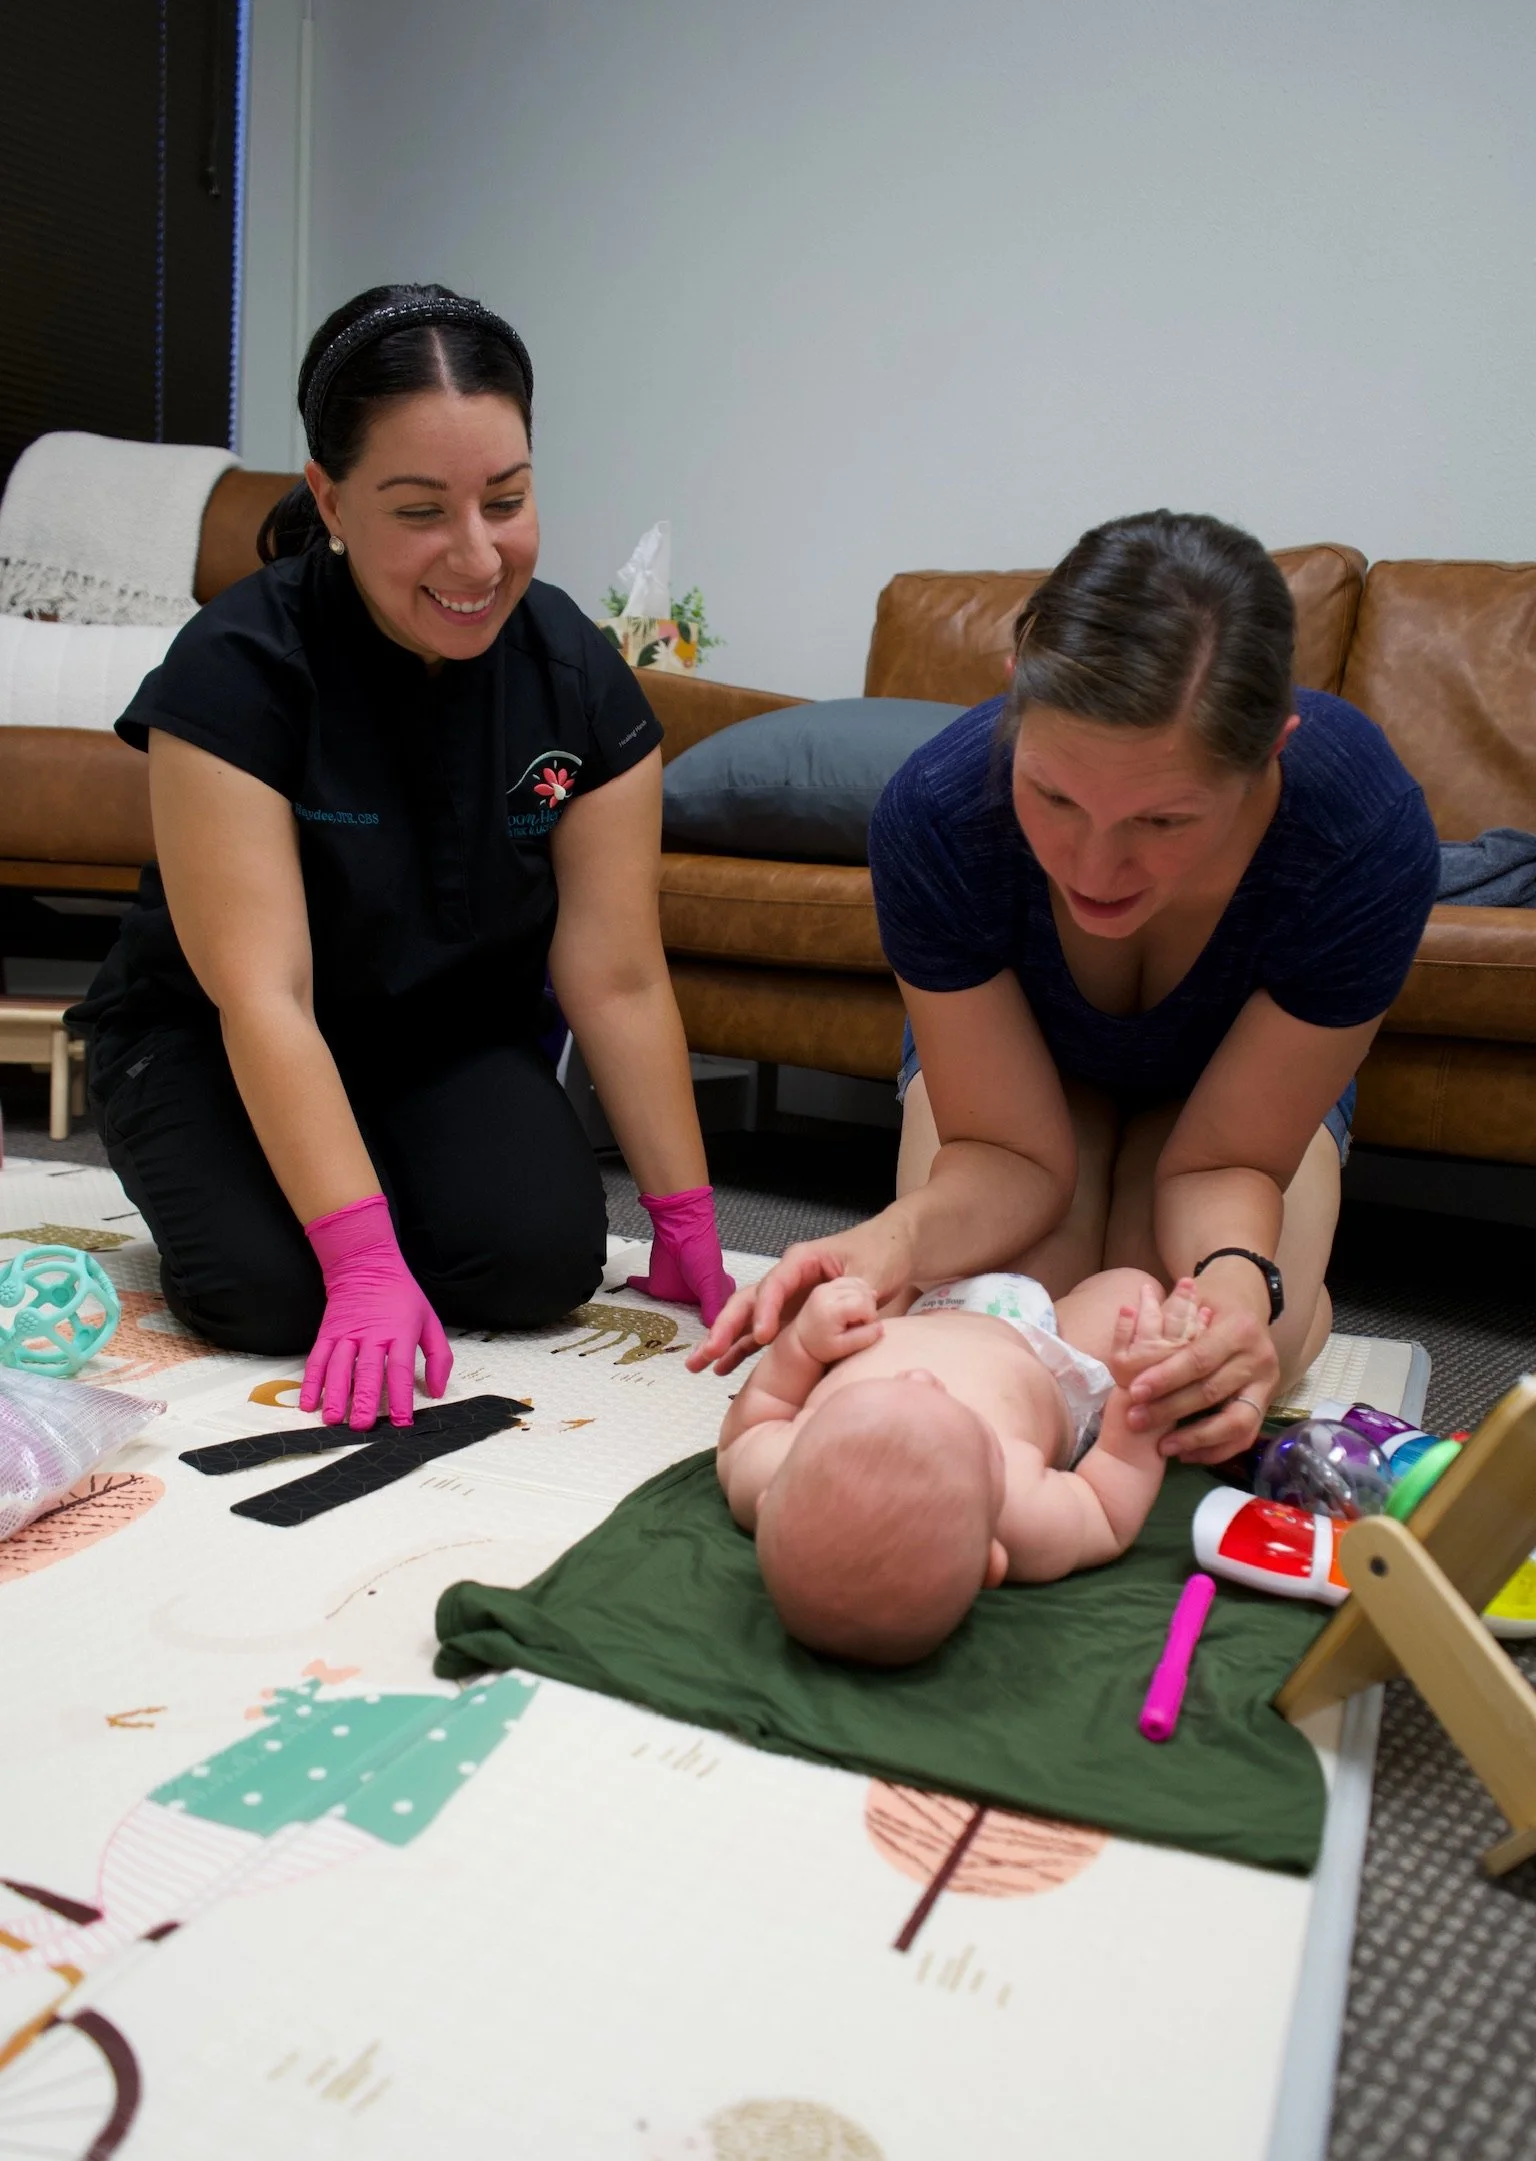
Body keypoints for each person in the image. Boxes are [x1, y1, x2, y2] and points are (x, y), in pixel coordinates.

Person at [74, 284, 731, 1430]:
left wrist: (685, 1221)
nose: (476, 556)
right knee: (271, 1294)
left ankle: (366, 1179)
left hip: (431, 1037)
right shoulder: (237, 670)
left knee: (535, 1264)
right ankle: (303, 1196)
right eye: (420, 509)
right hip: (212, 1036)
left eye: (508, 500)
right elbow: (263, 995)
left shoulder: (576, 677)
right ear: (329, 498)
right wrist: (362, 1259)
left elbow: (617, 974)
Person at [692, 511, 1440, 1464]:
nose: (1095, 865)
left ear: (1273, 749)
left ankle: (1299, 1316)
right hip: (1015, 1107)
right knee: (998, 1321)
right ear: (1014, 700)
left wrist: (1246, 1292)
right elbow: (1005, 1153)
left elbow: (1226, 1165)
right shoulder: (939, 813)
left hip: (1232, 1121)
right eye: (1053, 796)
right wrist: (895, 1239)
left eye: (1164, 820)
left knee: (1182, 1360)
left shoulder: (1362, 835)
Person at [717, 1269, 1204, 1665]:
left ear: (769, 1503)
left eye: (893, 1385)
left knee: (876, 1273)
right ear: (994, 1560)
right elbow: (1109, 1504)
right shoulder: (1020, 1509)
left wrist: (802, 1344)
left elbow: (765, 1403)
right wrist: (1140, 1394)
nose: (920, 1377)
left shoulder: (772, 1466)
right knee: (1129, 1286)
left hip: (905, 1312)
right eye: (950, 1405)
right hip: (1041, 1347)